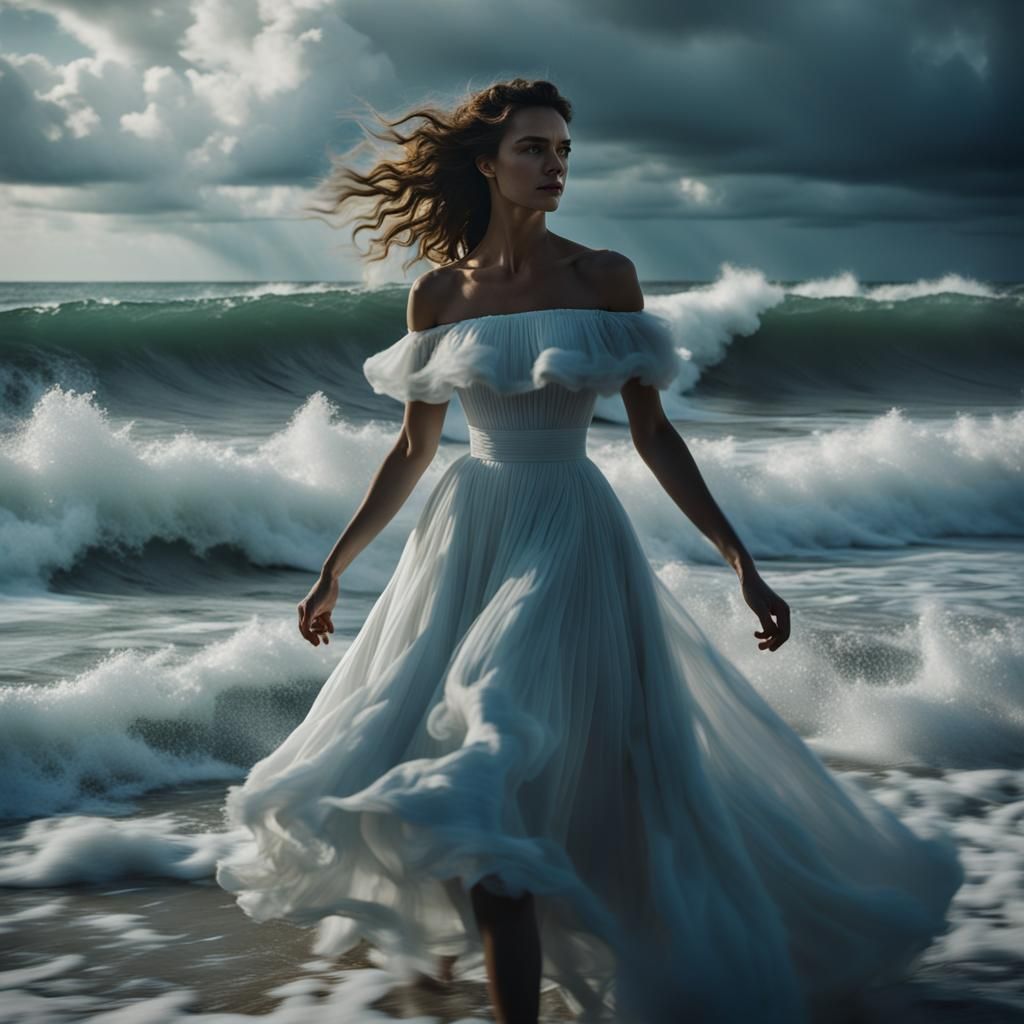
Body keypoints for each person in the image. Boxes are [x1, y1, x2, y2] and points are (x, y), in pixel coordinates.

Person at [215, 79, 963, 1024]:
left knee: (544, 755)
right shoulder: (439, 293)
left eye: (564, 150)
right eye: (535, 148)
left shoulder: (603, 277)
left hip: (573, 532)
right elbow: (413, 447)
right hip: (471, 529)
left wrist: (739, 560)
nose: (555, 165)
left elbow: (655, 436)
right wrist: (334, 566)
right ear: (487, 163)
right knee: (472, 758)